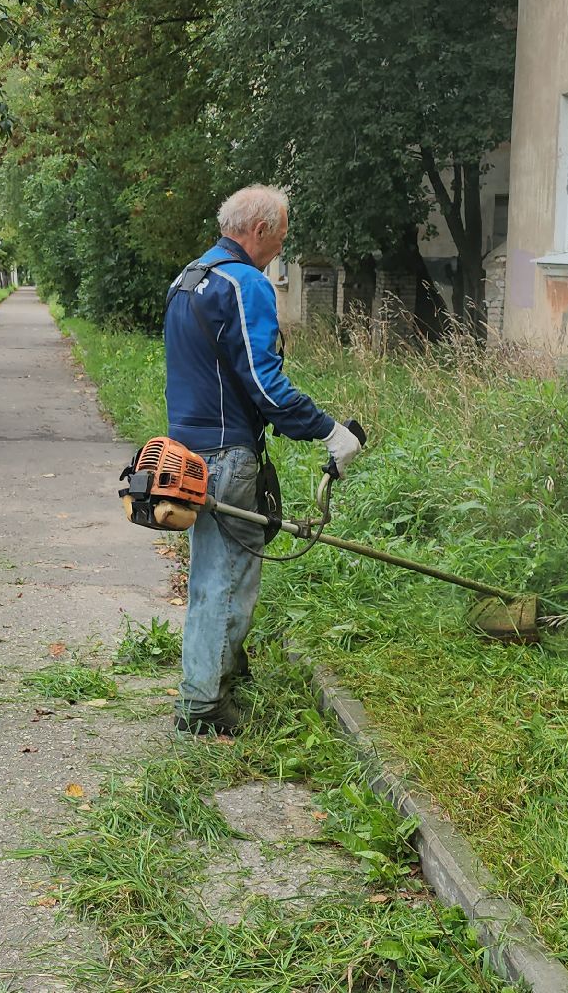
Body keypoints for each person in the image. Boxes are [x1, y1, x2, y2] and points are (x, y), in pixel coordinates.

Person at [163, 184, 362, 736]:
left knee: (212, 570)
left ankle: (225, 671)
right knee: (225, 577)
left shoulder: (190, 278)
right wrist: (329, 431)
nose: (282, 248)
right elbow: (265, 383)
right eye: (280, 236)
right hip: (226, 451)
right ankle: (203, 706)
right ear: (259, 231)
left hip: (187, 450)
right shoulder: (243, 283)